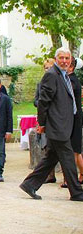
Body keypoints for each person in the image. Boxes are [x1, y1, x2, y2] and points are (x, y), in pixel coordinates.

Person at [19, 47, 83, 202]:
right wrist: (42, 123)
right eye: (61, 58)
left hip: (65, 124)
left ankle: (29, 184)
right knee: (68, 158)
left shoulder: (64, 75)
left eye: (67, 58)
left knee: (51, 158)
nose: (64, 61)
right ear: (56, 59)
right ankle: (77, 192)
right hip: (57, 125)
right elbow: (43, 102)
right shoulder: (51, 75)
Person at [60, 57, 83, 188]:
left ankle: (70, 179)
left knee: (73, 151)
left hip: (73, 119)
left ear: (71, 67)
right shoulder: (72, 80)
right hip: (74, 118)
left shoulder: (71, 81)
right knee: (75, 151)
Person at [34, 58, 56, 183]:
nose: (47, 70)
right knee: (45, 146)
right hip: (43, 117)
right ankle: (50, 175)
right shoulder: (40, 83)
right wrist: (41, 104)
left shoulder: (58, 80)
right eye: (46, 68)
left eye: (50, 67)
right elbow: (35, 100)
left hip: (55, 118)